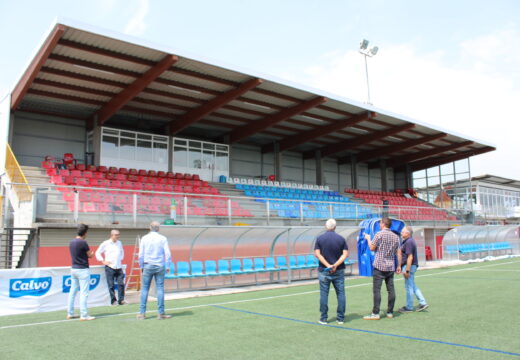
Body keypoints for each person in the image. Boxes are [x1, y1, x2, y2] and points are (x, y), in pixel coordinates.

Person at [363, 217, 402, 320]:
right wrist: (398, 265)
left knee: (377, 290)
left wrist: (368, 238)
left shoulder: (379, 234)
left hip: (379, 266)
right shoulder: (396, 237)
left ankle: (376, 313)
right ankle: (390, 312)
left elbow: (372, 248)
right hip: (390, 266)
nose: (379, 225)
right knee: (391, 290)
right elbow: (398, 252)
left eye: (380, 223)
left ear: (383, 224)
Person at [314, 219, 349, 325]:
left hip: (324, 270)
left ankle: (323, 318)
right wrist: (335, 265)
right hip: (338, 270)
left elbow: (317, 254)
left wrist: (328, 265)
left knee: (324, 294)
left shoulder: (320, 238)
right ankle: (340, 318)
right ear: (335, 227)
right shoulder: (341, 239)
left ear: (326, 226)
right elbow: (345, 254)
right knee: (341, 293)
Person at [137, 221, 172, 320]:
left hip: (147, 265)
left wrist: (141, 266)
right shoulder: (163, 238)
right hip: (160, 265)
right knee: (160, 288)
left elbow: (140, 254)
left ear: (149, 228)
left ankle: (142, 313)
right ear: (159, 228)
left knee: (145, 289)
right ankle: (161, 313)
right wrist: (168, 265)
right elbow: (168, 253)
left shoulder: (144, 238)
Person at [67, 223, 95, 321]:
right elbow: (90, 255)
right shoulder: (83, 242)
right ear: (85, 233)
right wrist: (92, 253)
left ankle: (70, 313)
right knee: (84, 292)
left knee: (72, 291)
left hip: (73, 268)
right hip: (82, 269)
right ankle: (84, 314)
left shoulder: (71, 242)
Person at [398, 226, 429, 313]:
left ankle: (409, 307)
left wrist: (407, 270)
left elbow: (410, 257)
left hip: (409, 266)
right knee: (412, 285)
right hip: (410, 266)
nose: (401, 233)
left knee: (409, 287)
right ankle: (423, 302)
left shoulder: (409, 242)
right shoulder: (407, 241)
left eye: (403, 232)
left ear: (408, 233)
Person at [95, 229, 127, 306]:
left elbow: (122, 252)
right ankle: (113, 301)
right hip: (110, 267)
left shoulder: (119, 243)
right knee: (111, 285)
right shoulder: (106, 243)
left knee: (121, 284)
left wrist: (120, 258)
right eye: (116, 235)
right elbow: (97, 252)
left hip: (118, 266)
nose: (117, 236)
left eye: (118, 235)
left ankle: (121, 300)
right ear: (111, 235)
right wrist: (103, 261)